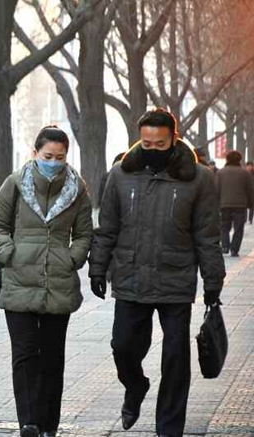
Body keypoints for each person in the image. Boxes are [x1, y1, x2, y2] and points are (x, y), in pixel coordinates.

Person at [89, 109, 225, 437]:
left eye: (160, 143)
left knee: (176, 357)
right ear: (140, 137)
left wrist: (213, 280)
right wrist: (97, 268)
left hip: (175, 278)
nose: (152, 148)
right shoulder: (120, 174)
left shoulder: (199, 178)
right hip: (130, 277)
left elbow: (207, 234)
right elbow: (107, 227)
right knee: (123, 346)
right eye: (146, 142)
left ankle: (169, 427)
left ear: (173, 138)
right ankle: (135, 386)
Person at [0, 126, 93, 437]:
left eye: (60, 157)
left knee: (51, 357)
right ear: (35, 154)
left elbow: (85, 233)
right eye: (48, 156)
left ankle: (49, 424)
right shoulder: (15, 183)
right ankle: (28, 423)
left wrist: (73, 257)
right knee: (23, 355)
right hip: (18, 281)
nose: (54, 162)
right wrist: (8, 253)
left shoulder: (76, 188)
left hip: (57, 283)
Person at [215, 151, 254, 257]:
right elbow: (250, 190)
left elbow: (216, 190)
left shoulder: (220, 173)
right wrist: (251, 204)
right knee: (239, 228)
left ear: (227, 160)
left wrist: (215, 204)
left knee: (224, 226)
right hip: (240, 205)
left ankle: (225, 246)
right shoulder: (245, 173)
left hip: (224, 204)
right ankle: (234, 249)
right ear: (239, 160)